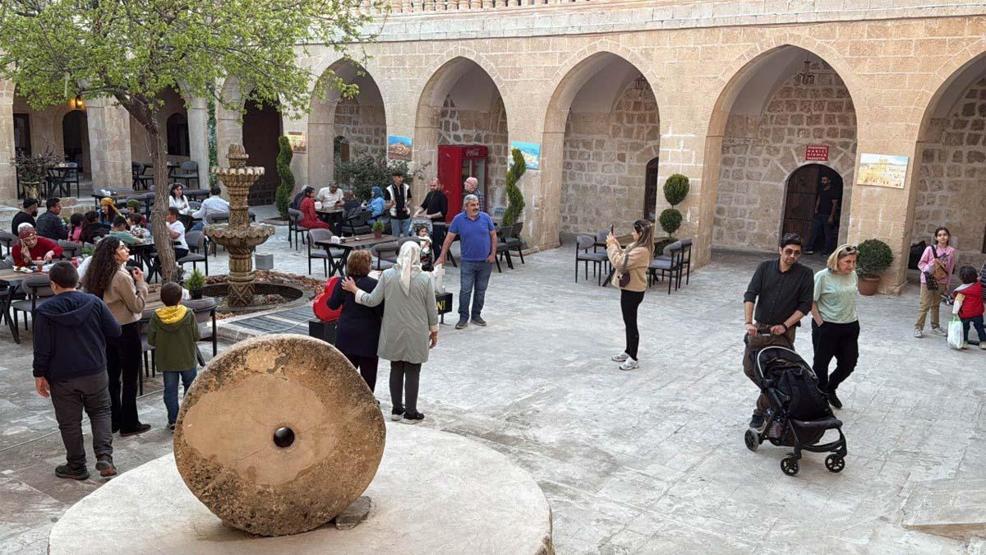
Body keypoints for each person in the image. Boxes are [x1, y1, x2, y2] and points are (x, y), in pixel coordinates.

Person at [32, 262, 122, 480]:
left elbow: (42, 347)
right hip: (94, 370)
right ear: (77, 281)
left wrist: (39, 374)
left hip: (61, 376)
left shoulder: (44, 311)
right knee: (101, 412)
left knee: (69, 422)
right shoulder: (94, 302)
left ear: (53, 285)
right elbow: (115, 330)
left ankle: (76, 466)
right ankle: (105, 457)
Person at [342, 241, 438, 423]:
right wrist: (434, 331)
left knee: (396, 367)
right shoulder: (425, 279)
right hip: (416, 331)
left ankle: (396, 409)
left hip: (393, 330)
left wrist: (355, 290)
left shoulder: (387, 276)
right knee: (412, 369)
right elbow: (431, 309)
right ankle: (411, 412)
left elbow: (371, 300)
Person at [742, 233, 814, 429]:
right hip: (760, 329)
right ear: (780, 250)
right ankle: (775, 400)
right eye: (788, 251)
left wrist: (785, 325)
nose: (792, 256)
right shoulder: (765, 268)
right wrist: (749, 322)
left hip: (783, 333)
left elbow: (805, 305)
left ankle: (760, 411)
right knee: (750, 368)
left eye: (797, 253)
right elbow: (750, 294)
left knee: (777, 374)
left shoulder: (805, 274)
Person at [80, 236, 150, 437]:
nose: (126, 249)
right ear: (113, 254)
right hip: (126, 329)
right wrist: (141, 285)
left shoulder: (96, 272)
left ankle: (113, 420)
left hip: (105, 329)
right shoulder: (121, 276)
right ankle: (129, 422)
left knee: (111, 377)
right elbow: (136, 305)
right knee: (129, 378)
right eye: (122, 247)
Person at [810, 244, 860, 409]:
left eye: (853, 261)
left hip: (850, 326)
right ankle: (820, 396)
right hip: (827, 326)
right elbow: (811, 300)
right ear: (836, 260)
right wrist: (820, 323)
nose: (851, 266)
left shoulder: (853, 275)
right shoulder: (822, 277)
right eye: (847, 262)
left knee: (849, 362)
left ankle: (831, 387)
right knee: (820, 364)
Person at [437, 194, 496, 330]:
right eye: (473, 205)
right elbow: (449, 239)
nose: (476, 207)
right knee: (465, 290)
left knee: (481, 291)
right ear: (466, 207)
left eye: (477, 205)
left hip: (485, 262)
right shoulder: (458, 220)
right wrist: (442, 255)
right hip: (468, 262)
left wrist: (493, 254)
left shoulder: (486, 218)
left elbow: (493, 235)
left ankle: (476, 315)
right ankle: (463, 317)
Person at [328, 251, 383, 392]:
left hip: (346, 333)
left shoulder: (343, 282)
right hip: (369, 335)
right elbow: (381, 309)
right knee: (368, 374)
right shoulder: (374, 285)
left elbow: (332, 304)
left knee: (346, 373)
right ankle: (368, 402)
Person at [147, 282, 200, 430]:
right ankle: (188, 417)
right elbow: (196, 335)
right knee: (191, 388)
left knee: (170, 390)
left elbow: (151, 340)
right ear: (179, 299)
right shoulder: (188, 314)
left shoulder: (156, 316)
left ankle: (173, 420)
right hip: (187, 358)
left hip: (167, 361)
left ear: (162, 299)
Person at [606, 219, 654, 371]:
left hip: (634, 291)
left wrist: (612, 246)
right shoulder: (637, 246)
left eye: (634, 231)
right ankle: (628, 351)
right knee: (628, 322)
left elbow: (620, 263)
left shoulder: (642, 251)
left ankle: (633, 358)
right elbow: (625, 256)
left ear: (640, 234)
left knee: (631, 323)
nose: (632, 233)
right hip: (629, 289)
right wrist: (616, 245)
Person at [914, 226, 957, 338]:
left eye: (945, 235)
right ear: (936, 237)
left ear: (948, 237)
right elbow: (921, 264)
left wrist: (947, 284)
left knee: (936, 305)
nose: (942, 237)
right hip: (927, 280)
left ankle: (935, 326)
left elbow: (950, 269)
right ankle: (918, 327)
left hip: (941, 281)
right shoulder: (930, 249)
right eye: (940, 235)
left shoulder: (951, 251)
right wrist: (930, 267)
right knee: (924, 305)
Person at [951, 265, 986, 349]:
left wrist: (954, 313)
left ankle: (964, 342)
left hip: (965, 314)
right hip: (978, 312)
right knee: (980, 328)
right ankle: (983, 342)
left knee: (965, 328)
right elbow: (978, 279)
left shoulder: (962, 291)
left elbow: (957, 303)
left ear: (962, 278)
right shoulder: (978, 286)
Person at [804, 176, 840, 256]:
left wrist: (831, 216)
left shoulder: (833, 191)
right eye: (822, 180)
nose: (823, 182)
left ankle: (826, 251)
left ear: (829, 181)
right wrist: (816, 208)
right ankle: (809, 248)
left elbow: (834, 204)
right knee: (814, 231)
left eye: (824, 180)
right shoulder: (821, 189)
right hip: (819, 214)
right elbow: (819, 199)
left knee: (827, 233)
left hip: (827, 215)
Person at [415, 177, 449, 247]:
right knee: (429, 244)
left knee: (437, 245)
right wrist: (417, 212)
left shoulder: (442, 196)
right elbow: (423, 206)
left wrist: (431, 216)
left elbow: (443, 212)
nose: (432, 187)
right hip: (429, 224)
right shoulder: (429, 194)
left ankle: (440, 258)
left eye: (434, 186)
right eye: (431, 186)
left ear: (439, 185)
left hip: (438, 225)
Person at [385, 171, 412, 237]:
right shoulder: (388, 189)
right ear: (394, 178)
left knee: (407, 236)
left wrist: (407, 204)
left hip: (406, 215)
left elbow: (410, 199)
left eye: (402, 177)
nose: (401, 179)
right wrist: (391, 204)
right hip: (395, 216)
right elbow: (386, 206)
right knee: (395, 237)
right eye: (399, 177)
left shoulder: (406, 187)